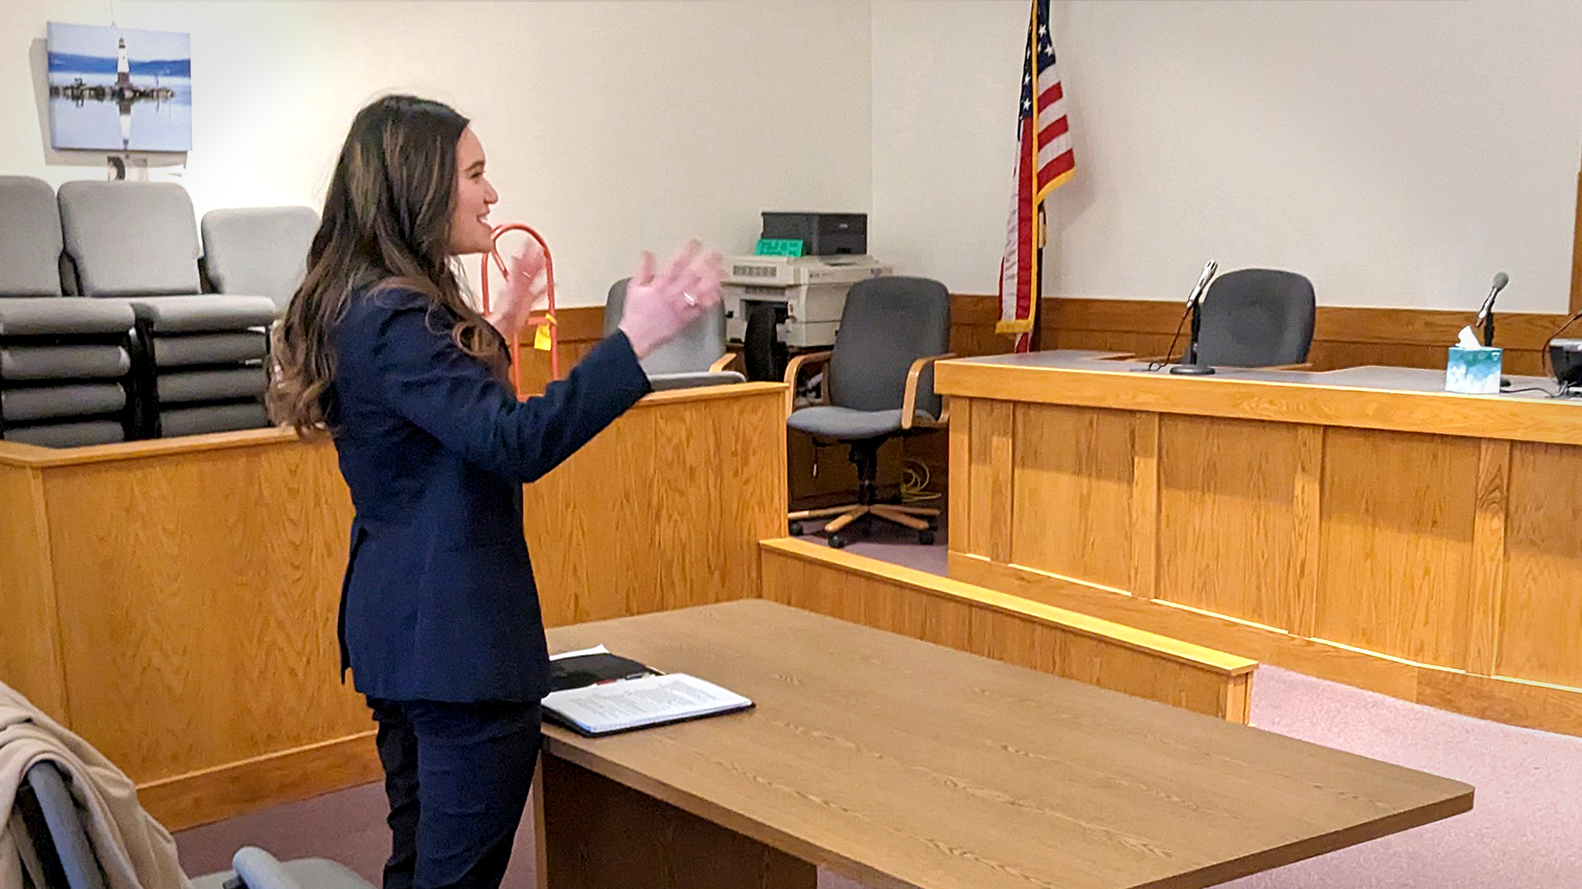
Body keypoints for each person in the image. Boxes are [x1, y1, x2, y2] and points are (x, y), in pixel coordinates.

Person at [267, 94, 723, 889]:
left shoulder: (364, 303)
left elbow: (447, 431)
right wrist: (635, 339)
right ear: (418, 187)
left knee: (417, 866)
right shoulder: (393, 315)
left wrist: (504, 321)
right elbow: (515, 442)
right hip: (456, 650)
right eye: (475, 174)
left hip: (407, 635)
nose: (491, 193)